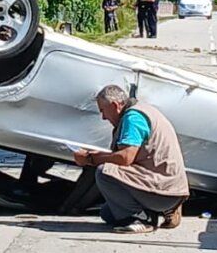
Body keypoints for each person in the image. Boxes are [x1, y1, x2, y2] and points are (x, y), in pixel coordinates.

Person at [71, 84, 189, 233]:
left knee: (105, 172)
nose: (103, 117)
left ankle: (141, 220)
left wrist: (90, 159)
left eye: (103, 111)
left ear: (115, 105)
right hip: (165, 186)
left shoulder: (133, 118)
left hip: (164, 190)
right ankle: (160, 211)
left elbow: (125, 158)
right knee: (107, 213)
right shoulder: (141, 110)